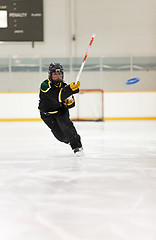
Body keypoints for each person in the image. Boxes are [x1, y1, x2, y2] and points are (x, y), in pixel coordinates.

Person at [38, 63, 84, 157]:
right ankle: (73, 141)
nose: (57, 76)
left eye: (59, 74)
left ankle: (77, 147)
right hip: (47, 115)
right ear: (50, 75)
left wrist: (69, 102)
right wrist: (70, 90)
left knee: (67, 127)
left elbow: (70, 104)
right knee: (61, 137)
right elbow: (57, 97)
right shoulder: (45, 85)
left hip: (60, 111)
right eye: (54, 74)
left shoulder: (64, 86)